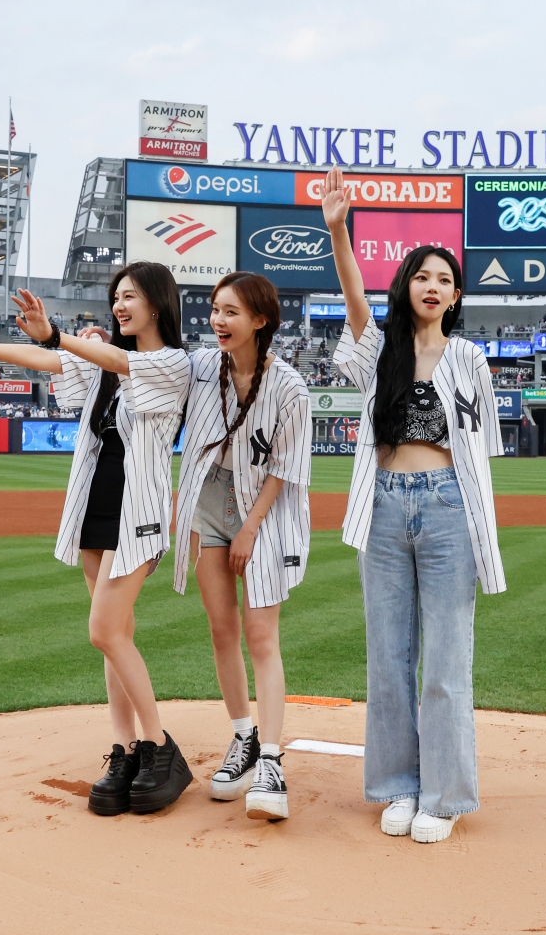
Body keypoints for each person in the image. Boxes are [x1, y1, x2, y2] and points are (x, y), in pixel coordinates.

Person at [0, 264, 194, 817]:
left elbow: (116, 360)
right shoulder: (101, 355)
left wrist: (61, 335)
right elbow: (53, 360)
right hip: (95, 507)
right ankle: (124, 751)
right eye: (116, 296)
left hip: (139, 514)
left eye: (131, 296)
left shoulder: (175, 362)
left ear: (158, 303)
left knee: (103, 628)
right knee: (115, 635)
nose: (121, 304)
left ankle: (159, 747)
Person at [321, 167, 506, 845]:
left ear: (456, 296)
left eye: (445, 279)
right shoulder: (382, 351)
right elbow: (353, 302)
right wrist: (340, 229)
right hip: (387, 506)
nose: (432, 286)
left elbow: (480, 450)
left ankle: (445, 795)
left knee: (448, 660)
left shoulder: (471, 359)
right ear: (407, 286)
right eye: (422, 275)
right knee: (389, 658)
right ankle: (397, 787)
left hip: (448, 506)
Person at [172, 271, 311, 821]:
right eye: (214, 309)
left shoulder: (291, 386)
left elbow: (285, 467)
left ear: (260, 320)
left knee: (261, 634)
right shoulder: (204, 366)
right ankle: (243, 738)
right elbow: (146, 366)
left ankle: (272, 759)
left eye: (230, 311)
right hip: (207, 499)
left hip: (265, 508)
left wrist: (251, 527)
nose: (217, 320)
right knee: (221, 628)